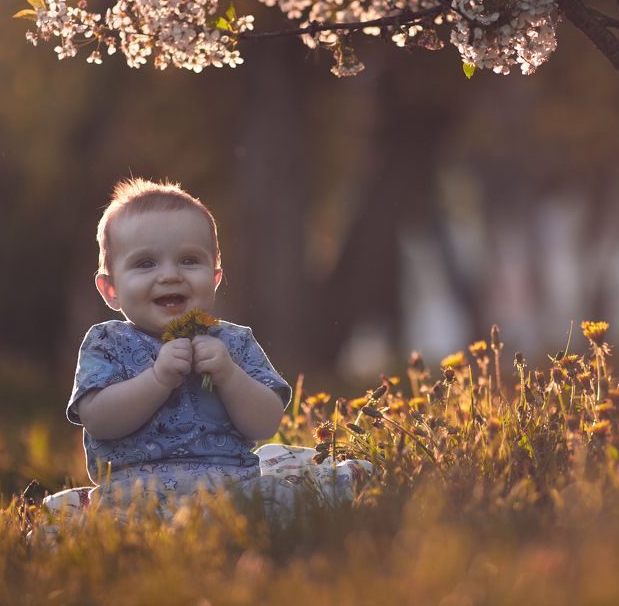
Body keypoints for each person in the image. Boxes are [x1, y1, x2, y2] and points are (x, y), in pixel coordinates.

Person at [41, 178, 371, 526]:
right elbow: (99, 420)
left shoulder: (232, 342)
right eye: (145, 264)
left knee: (275, 500)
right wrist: (157, 379)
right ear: (111, 290)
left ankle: (236, 524)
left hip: (230, 487)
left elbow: (266, 421)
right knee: (108, 529)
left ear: (214, 278)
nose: (170, 275)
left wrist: (229, 376)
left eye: (188, 260)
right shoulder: (107, 343)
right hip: (135, 496)